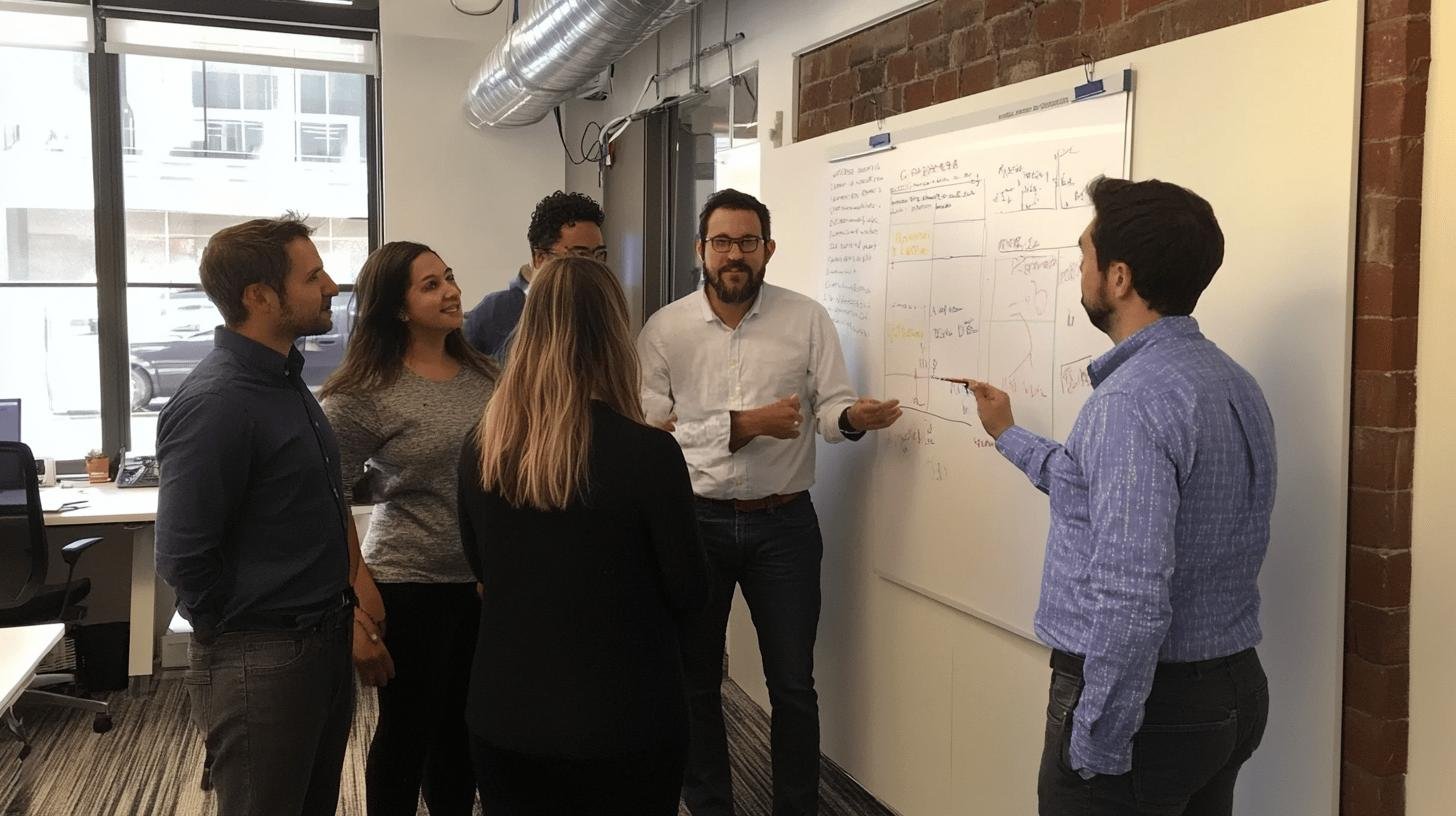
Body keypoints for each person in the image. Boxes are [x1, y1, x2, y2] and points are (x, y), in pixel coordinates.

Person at [957, 177, 1276, 816]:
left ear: (1120, 278)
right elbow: (1090, 487)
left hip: (1147, 707)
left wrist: (1098, 741)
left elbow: (1133, 596)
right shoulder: (1231, 382)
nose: (1080, 272)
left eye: (1085, 256)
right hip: (1232, 692)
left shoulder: (1128, 403)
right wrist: (1008, 434)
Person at [637, 188, 903, 816]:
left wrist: (854, 417)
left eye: (748, 242)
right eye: (722, 242)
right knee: (696, 680)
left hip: (784, 524)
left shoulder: (806, 319)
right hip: (693, 522)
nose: (735, 254)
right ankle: (710, 806)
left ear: (768, 250)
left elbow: (831, 408)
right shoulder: (664, 329)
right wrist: (741, 424)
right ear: (701, 250)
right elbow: (651, 433)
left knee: (793, 687)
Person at [457, 255, 709, 815]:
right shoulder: (648, 454)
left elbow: (483, 569)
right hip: (626, 719)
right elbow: (689, 591)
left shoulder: (483, 448)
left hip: (506, 714)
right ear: (615, 335)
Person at [155, 215, 360, 816]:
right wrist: (242, 633)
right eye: (313, 275)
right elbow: (184, 557)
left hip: (321, 640)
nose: (332, 286)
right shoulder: (218, 401)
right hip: (262, 655)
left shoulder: (283, 378)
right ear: (260, 297)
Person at [320, 241, 498, 816]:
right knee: (407, 734)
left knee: (463, 737)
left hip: (481, 587)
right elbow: (328, 499)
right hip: (408, 583)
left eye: (449, 277)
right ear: (396, 307)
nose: (450, 291)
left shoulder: (486, 375)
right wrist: (356, 586)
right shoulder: (360, 394)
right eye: (430, 285)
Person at [462, 190, 606, 360]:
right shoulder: (497, 312)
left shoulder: (604, 316)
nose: (593, 267)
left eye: (599, 256)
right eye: (580, 256)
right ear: (540, 258)